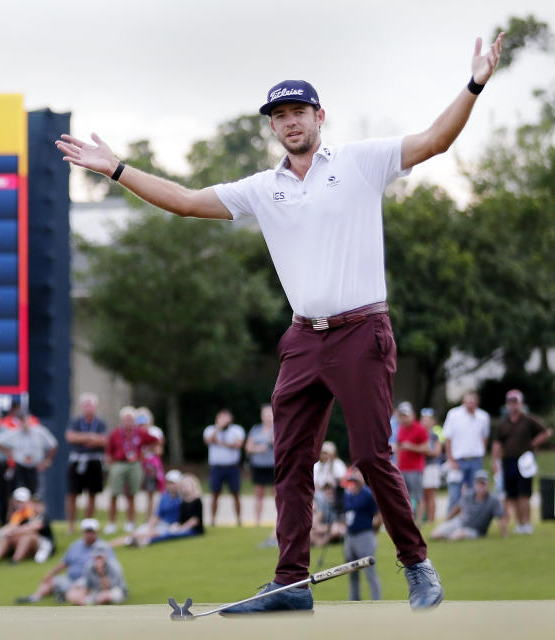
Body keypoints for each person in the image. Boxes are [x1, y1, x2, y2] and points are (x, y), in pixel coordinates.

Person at [55, 32, 506, 612]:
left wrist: (474, 83)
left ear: (320, 116)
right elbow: (186, 200)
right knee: (289, 460)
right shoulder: (263, 189)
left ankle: (416, 564)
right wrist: (117, 168)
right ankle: (292, 582)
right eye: (280, 115)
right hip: (302, 339)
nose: (291, 122)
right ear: (272, 127)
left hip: (361, 332)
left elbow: (437, 141)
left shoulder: (360, 161)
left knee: (370, 454)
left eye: (299, 112)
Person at [492, 389, 552, 535]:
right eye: (510, 402)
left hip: (524, 461)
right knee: (512, 495)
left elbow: (546, 432)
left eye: (515, 402)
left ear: (520, 403)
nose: (513, 405)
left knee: (524, 494)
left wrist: (533, 444)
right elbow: (497, 443)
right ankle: (519, 523)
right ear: (507, 404)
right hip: (508, 461)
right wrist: (495, 460)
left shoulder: (528, 420)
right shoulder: (503, 423)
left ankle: (527, 523)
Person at [14, 518, 115, 604]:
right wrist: (50, 574)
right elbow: (64, 563)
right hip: (71, 579)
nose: (89, 534)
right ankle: (35, 597)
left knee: (80, 589)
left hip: (90, 581)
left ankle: (68, 596)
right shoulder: (75, 545)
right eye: (87, 531)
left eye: (91, 531)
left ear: (96, 532)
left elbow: (109, 567)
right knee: (51, 581)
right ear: (83, 532)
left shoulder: (102, 547)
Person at [104, 406, 160, 534]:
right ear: (121, 420)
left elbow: (156, 441)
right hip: (118, 463)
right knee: (114, 494)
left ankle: (130, 522)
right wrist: (110, 465)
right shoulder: (116, 433)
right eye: (126, 419)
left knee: (131, 494)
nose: (128, 422)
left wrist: (144, 454)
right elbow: (108, 452)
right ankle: (112, 523)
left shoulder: (139, 433)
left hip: (134, 464)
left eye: (130, 420)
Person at [65, 392, 108, 533]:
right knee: (72, 494)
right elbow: (70, 437)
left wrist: (85, 439)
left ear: (95, 407)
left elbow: (104, 440)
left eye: (91, 405)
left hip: (94, 461)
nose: (88, 408)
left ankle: (88, 524)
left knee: (92, 494)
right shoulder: (76, 421)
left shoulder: (100, 423)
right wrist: (90, 438)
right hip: (77, 460)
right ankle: (71, 525)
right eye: (86, 405)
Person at [443, 390, 490, 511]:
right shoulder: (454, 414)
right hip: (458, 460)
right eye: (467, 401)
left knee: (474, 493)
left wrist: (481, 454)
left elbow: (484, 438)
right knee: (455, 493)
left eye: (472, 401)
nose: (470, 403)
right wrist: (451, 459)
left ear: (477, 402)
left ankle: (472, 520)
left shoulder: (483, 417)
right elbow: (448, 439)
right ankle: (451, 522)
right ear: (463, 401)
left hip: (475, 460)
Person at [111, 468, 184, 547]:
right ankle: (108, 545)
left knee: (141, 536)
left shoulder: (182, 498)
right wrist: (151, 527)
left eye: (173, 483)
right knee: (134, 535)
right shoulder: (165, 496)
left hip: (169, 527)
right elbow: (157, 514)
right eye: (170, 483)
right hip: (159, 524)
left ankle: (136, 542)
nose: (171, 485)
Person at [0, 410, 58, 495]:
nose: (24, 423)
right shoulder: (14, 433)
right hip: (20, 466)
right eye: (21, 420)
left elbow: (53, 445)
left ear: (29, 419)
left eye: (25, 420)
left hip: (35, 467)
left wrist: (47, 461)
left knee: (36, 495)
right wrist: (9, 453)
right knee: (16, 494)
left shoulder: (40, 431)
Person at [431, 470, 507, 540]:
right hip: (460, 522)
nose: (481, 486)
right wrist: (447, 520)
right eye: (479, 483)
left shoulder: (493, 500)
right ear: (475, 484)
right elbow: (457, 508)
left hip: (475, 529)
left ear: (488, 485)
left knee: (456, 536)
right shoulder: (468, 495)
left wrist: (504, 534)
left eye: (483, 484)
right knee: (435, 535)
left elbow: (501, 517)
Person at [342, 468, 381, 601]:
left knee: (369, 570)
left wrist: (373, 532)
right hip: (350, 535)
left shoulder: (368, 494)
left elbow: (378, 515)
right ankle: (353, 599)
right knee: (351, 571)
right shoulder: (348, 494)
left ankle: (376, 600)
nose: (354, 483)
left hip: (365, 534)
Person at [203, 409, 245, 527]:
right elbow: (208, 440)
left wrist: (220, 443)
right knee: (215, 494)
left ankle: (238, 519)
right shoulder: (210, 429)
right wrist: (219, 427)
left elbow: (238, 444)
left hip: (232, 467)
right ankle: (213, 520)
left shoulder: (236, 430)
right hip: (217, 467)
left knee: (235, 493)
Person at [394, 401, 428, 517]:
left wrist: (411, 447)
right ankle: (408, 519)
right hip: (403, 468)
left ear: (412, 415)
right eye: (401, 416)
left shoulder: (420, 429)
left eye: (406, 416)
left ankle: (419, 521)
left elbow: (426, 448)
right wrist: (397, 465)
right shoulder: (401, 429)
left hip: (416, 469)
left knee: (418, 496)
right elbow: (399, 448)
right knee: (404, 496)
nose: (404, 419)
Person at [246, 404, 276, 526]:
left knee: (276, 494)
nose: (268, 417)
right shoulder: (255, 429)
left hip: (273, 466)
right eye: (265, 414)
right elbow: (248, 447)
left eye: (270, 414)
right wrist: (259, 449)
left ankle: (278, 521)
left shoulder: (278, 428)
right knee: (259, 494)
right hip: (258, 466)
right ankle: (257, 521)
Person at [136, 407, 165, 524]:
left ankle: (150, 518)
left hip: (151, 464)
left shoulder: (155, 432)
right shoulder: (134, 433)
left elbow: (159, 450)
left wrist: (149, 447)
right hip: (138, 464)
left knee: (151, 492)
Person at [418, 408, 444, 523]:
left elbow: (437, 452)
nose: (425, 422)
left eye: (428, 420)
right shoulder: (418, 434)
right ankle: (422, 519)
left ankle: (430, 520)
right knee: (421, 496)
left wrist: (423, 450)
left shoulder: (434, 436)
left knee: (430, 495)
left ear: (433, 422)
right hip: (419, 467)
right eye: (423, 420)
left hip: (431, 467)